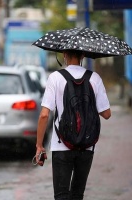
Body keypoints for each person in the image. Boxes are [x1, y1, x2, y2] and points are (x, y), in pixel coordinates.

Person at [35, 50, 111, 200]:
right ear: (83, 55)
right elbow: (106, 114)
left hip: (61, 144)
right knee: (77, 195)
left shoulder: (55, 78)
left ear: (64, 54)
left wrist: (39, 145)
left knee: (61, 195)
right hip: (87, 145)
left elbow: (44, 114)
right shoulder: (94, 78)